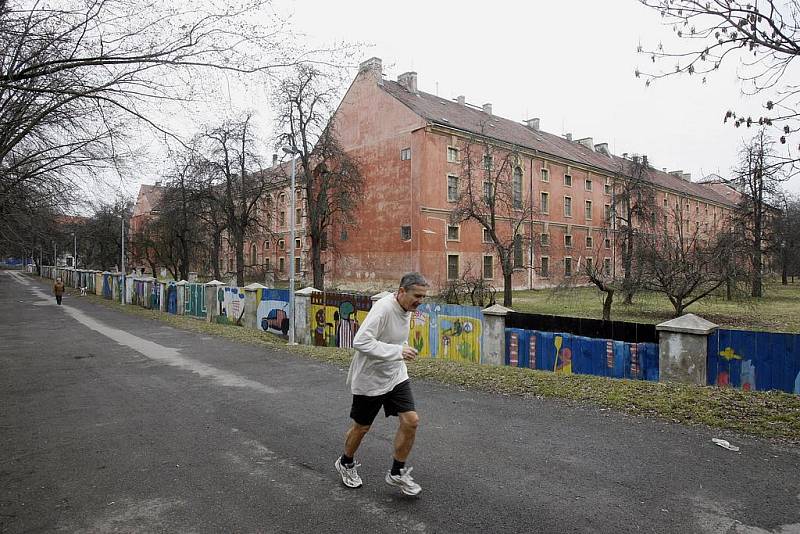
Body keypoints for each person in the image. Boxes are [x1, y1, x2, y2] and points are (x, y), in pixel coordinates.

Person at [334, 272, 429, 496]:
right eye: (417, 295)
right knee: (362, 427)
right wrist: (398, 351)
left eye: (424, 297)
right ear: (401, 292)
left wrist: (400, 350)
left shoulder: (407, 308)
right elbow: (361, 341)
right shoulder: (384, 308)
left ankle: (397, 472)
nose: (420, 301)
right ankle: (345, 462)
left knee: (411, 421)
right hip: (371, 377)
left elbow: (394, 335)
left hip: (395, 373)